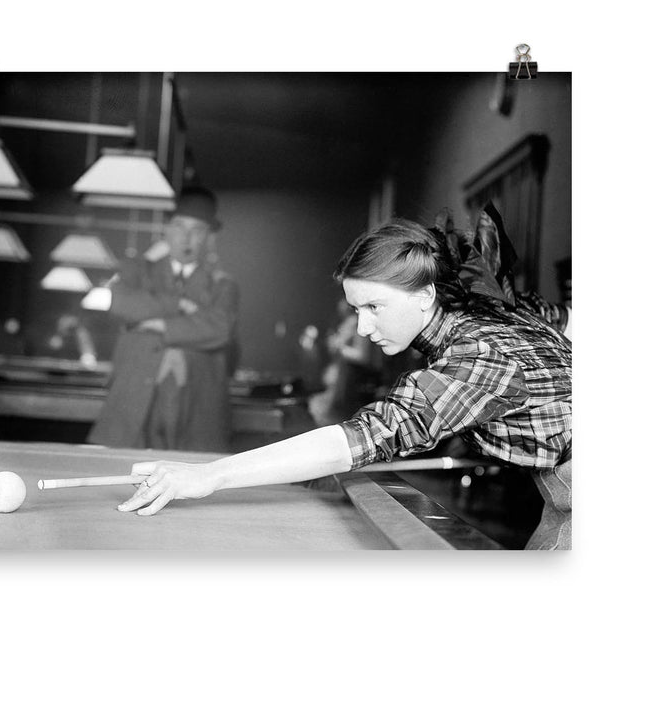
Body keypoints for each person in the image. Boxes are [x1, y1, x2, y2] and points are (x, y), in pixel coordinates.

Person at [117, 211, 571, 550]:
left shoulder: (478, 355)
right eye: (356, 309)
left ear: (426, 294)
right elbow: (568, 319)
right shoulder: (490, 314)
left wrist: (210, 475)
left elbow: (368, 436)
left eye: (374, 307)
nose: (362, 327)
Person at [88, 186, 239, 451]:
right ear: (166, 231)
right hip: (133, 401)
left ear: (209, 238)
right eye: (179, 226)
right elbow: (122, 304)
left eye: (198, 229)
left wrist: (158, 323)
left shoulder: (222, 284)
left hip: (196, 408)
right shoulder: (137, 271)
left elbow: (220, 328)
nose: (187, 238)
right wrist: (178, 304)